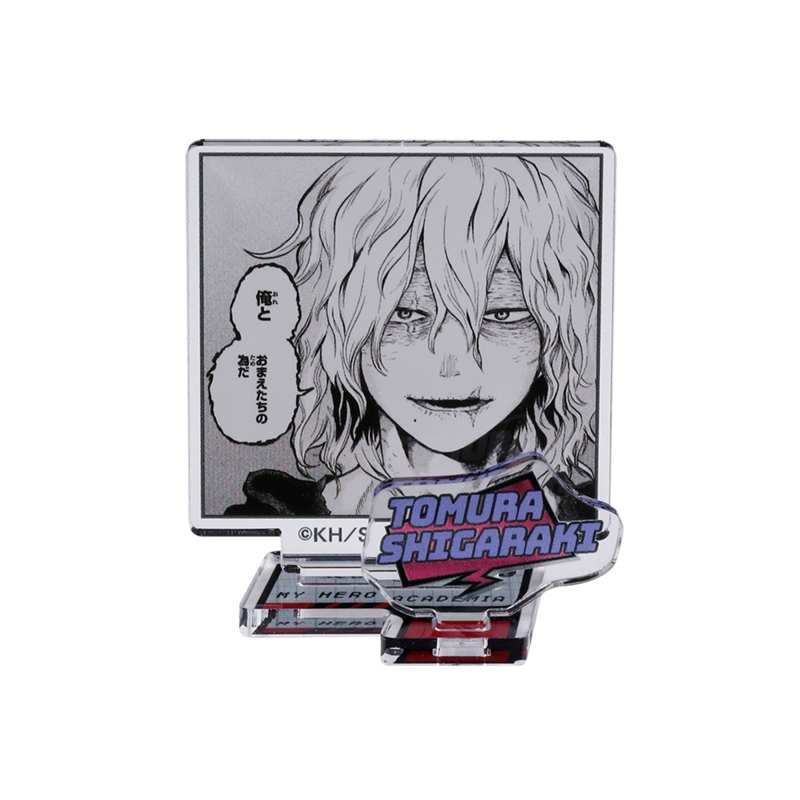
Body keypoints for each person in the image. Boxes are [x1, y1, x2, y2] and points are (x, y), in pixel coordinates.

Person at [225, 154, 599, 516]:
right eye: (405, 314)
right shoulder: (274, 521)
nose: (452, 366)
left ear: (557, 332)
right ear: (341, 326)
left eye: (501, 315)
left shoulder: (594, 522)